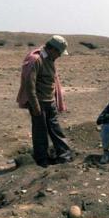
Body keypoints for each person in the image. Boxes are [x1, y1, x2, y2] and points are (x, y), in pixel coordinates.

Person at [16, 35, 73, 167]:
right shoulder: (35, 60)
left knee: (55, 129)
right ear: (52, 49)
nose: (59, 56)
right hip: (39, 102)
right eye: (59, 53)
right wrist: (35, 106)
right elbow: (30, 85)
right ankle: (41, 160)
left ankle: (65, 156)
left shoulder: (50, 59)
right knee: (40, 132)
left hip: (49, 101)